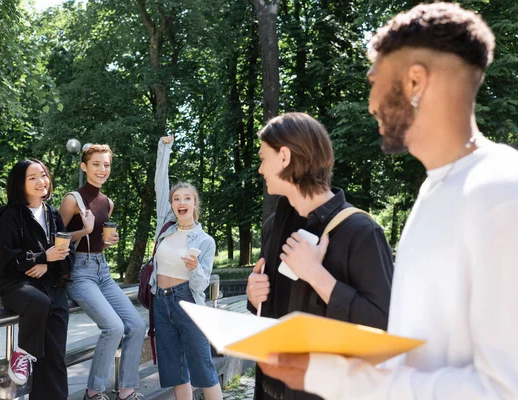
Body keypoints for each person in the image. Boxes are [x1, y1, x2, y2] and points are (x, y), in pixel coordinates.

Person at [258, 3, 518, 399]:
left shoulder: (500, 192)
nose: (370, 103)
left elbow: (504, 387)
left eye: (375, 81)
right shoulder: (436, 192)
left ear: (415, 82)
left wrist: (334, 378)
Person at [246, 112, 394, 400]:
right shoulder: (273, 227)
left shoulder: (361, 232)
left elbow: (384, 327)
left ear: (285, 157)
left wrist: (316, 275)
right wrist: (255, 298)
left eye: (264, 158)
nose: (261, 169)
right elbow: (269, 311)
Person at [60, 144, 146, 400]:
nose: (102, 169)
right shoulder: (71, 199)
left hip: (102, 270)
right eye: (96, 164)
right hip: (80, 273)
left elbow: (98, 238)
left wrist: (105, 242)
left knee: (137, 325)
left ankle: (127, 390)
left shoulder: (107, 203)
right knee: (113, 327)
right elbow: (56, 238)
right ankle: (93, 392)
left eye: (106, 164)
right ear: (84, 166)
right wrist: (84, 232)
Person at [0, 159, 73, 399]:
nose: (41, 181)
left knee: (55, 359)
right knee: (39, 302)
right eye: (32, 177)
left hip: (52, 288)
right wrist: (40, 257)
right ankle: (22, 353)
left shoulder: (53, 215)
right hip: (19, 288)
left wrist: (46, 263)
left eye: (43, 175)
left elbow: (68, 259)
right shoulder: (11, 216)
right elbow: (0, 263)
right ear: (20, 183)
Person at [150, 134, 222, 400]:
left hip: (188, 302)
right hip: (161, 302)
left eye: (187, 198)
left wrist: (194, 268)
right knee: (175, 371)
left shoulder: (205, 241)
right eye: (177, 198)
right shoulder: (165, 228)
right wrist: (164, 150)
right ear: (172, 204)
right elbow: (160, 183)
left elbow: (201, 285)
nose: (181, 202)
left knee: (202, 367)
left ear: (195, 204)